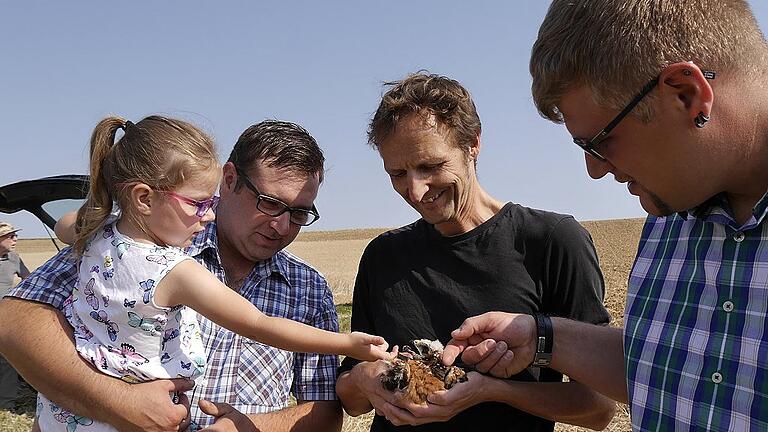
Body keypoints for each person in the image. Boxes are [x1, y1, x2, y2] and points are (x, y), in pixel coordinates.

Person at [443, 1, 768, 431]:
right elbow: (665, 372)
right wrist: (542, 336)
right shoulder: (670, 211)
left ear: (686, 95)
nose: (594, 170)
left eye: (598, 143)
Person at [0, 119, 357, 431]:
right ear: (229, 179)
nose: (282, 225)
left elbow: (325, 412)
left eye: (299, 213)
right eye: (270, 203)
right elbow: (13, 321)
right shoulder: (144, 238)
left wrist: (251, 429)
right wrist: (119, 402)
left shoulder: (310, 288)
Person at [335, 73, 616, 431]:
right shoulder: (382, 257)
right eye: (398, 173)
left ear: (472, 144)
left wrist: (491, 391)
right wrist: (364, 379)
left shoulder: (552, 242)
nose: (416, 190)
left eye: (430, 167)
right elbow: (350, 400)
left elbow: (598, 408)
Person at [0, 222, 29, 410]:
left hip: (4, 318)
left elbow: (29, 280)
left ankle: (5, 404)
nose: (15, 239)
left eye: (15, 235)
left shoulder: (13, 258)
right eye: (10, 236)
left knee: (6, 361)